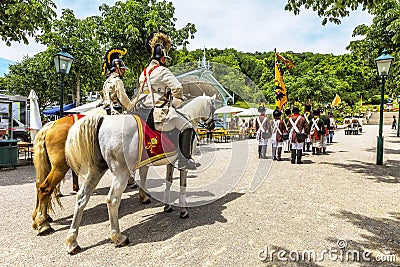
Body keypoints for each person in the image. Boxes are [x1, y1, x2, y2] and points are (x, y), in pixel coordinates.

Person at [133, 31, 196, 170]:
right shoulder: (162, 71)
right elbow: (177, 87)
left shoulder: (144, 73)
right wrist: (176, 100)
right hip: (156, 112)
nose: (165, 61)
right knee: (187, 127)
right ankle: (184, 160)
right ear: (162, 58)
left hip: (142, 111)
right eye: (165, 59)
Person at [101, 48, 134, 115]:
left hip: (107, 112)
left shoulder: (106, 82)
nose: (124, 71)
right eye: (122, 69)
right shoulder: (117, 81)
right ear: (117, 69)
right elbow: (123, 99)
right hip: (117, 113)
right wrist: (132, 108)